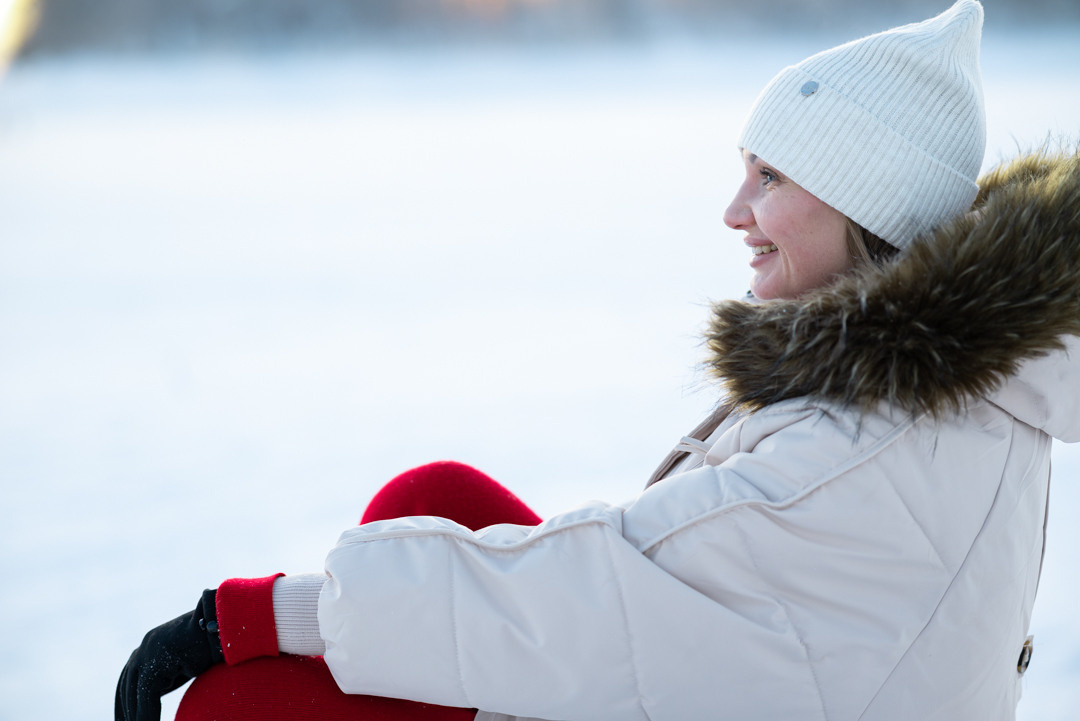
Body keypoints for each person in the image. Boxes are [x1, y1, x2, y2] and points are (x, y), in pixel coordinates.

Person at [116, 1, 1080, 719]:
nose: (734, 210)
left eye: (771, 176)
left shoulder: (854, 447)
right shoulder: (951, 377)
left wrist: (245, 618)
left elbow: (595, 591)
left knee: (250, 702)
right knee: (439, 495)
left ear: (866, 203)